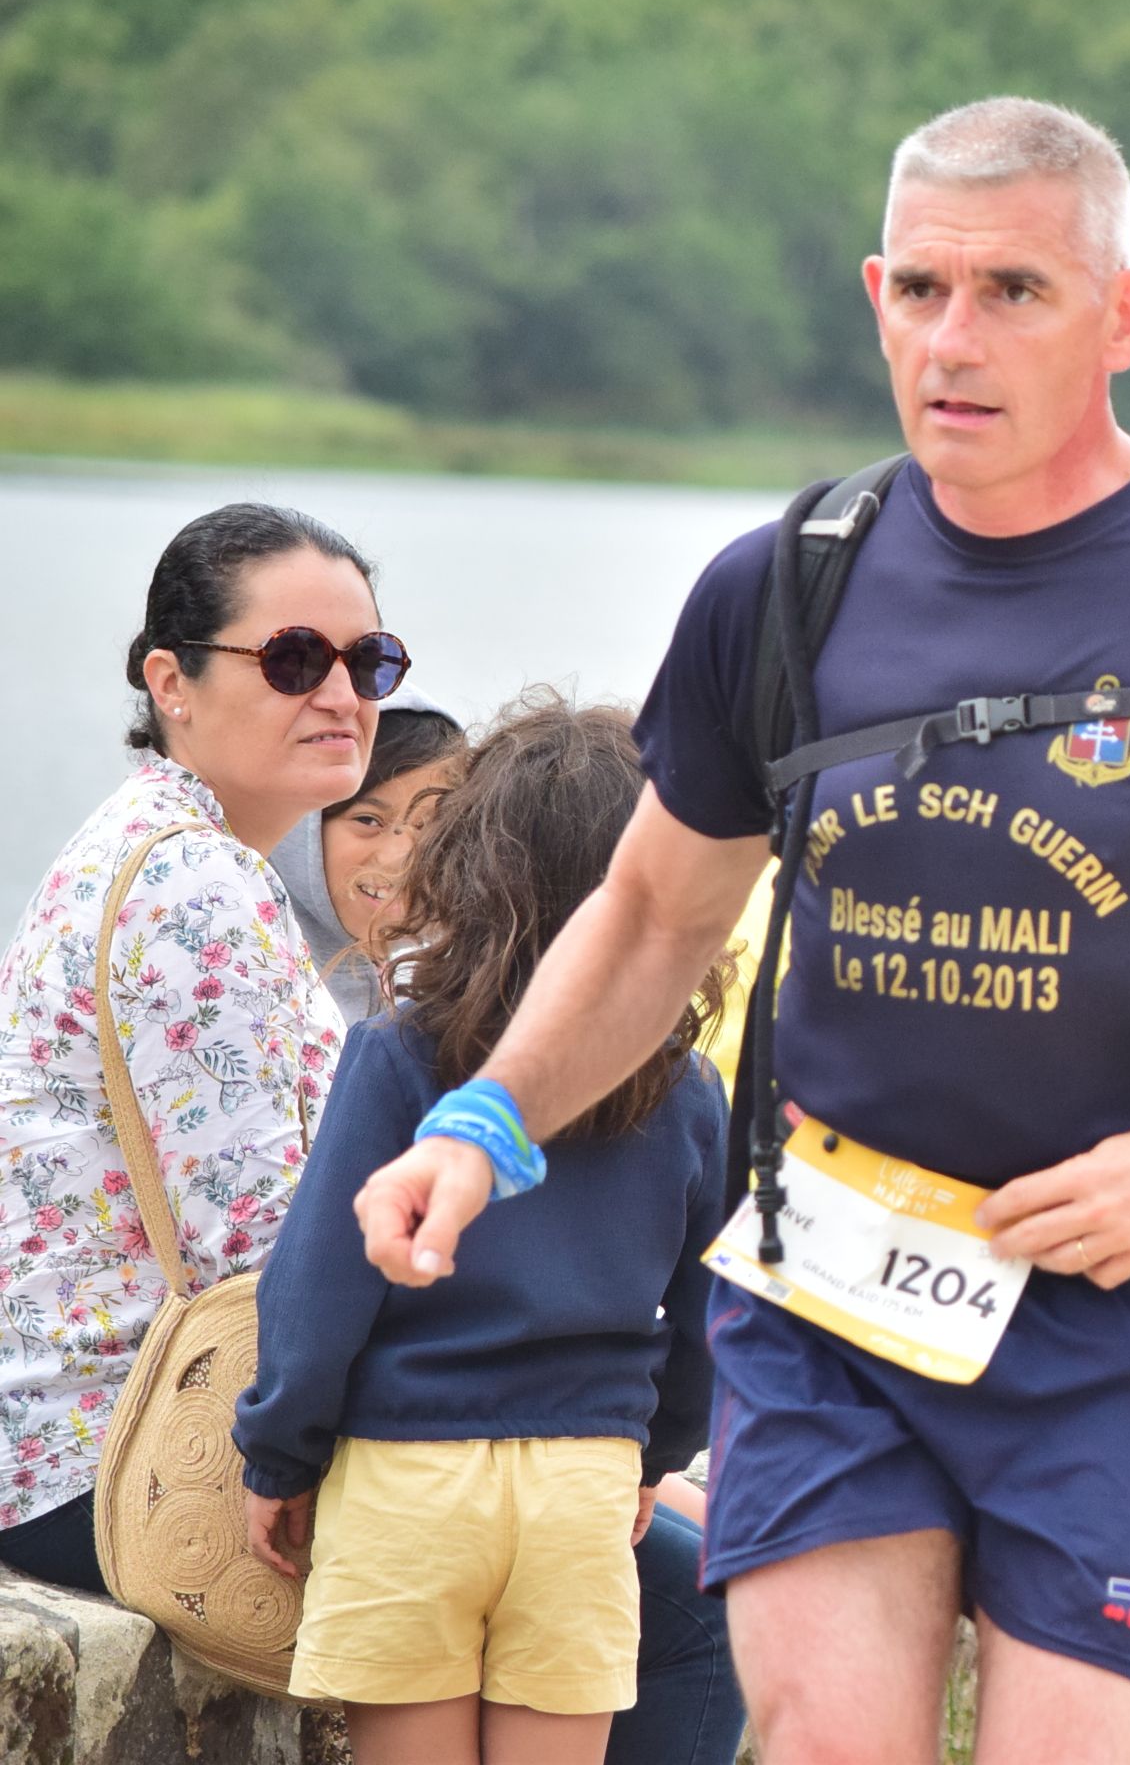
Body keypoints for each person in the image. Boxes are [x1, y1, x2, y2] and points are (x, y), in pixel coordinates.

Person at [345, 95, 1130, 1765]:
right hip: (833, 1289)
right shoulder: (787, 586)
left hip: (1121, 1309)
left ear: (1124, 314)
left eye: (1013, 292)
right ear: (874, 296)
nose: (953, 341)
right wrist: (483, 1125)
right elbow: (653, 915)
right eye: (920, 289)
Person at [234, 695, 727, 1765]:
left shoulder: (398, 1054)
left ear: (466, 865)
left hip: (405, 1478)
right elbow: (711, 1312)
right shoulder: (685, 1086)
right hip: (585, 1482)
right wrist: (656, 1455)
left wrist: (278, 1457)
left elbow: (317, 1289)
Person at [0, 504, 391, 1586]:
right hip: (122, 1461)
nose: (341, 694)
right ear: (171, 682)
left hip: (81, 1441)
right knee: (686, 1606)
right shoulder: (193, 879)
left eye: (369, 660)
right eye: (295, 659)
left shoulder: (153, 841)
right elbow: (262, 1246)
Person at [275, 688, 467, 1022]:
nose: (400, 858)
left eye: (428, 828)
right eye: (368, 820)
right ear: (299, 824)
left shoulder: (438, 993)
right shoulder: (250, 973)